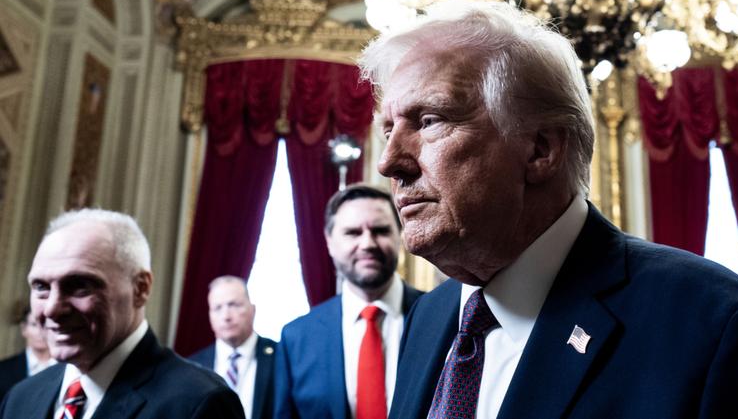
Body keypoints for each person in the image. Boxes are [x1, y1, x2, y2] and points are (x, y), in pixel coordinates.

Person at [358, 0, 738, 419]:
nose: (389, 162)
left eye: (429, 120)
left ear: (541, 150)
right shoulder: (430, 315)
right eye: (389, 130)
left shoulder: (717, 327)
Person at [0, 209, 244, 419]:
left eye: (80, 285)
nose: (52, 308)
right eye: (41, 287)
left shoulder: (199, 403)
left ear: (140, 288)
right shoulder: (20, 399)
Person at [274, 184, 423, 419]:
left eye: (381, 230)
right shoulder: (296, 337)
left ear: (400, 236)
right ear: (329, 242)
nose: (367, 244)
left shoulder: (441, 317)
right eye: (353, 232)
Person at [189, 275, 276, 419]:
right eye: (217, 308)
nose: (226, 316)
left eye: (234, 305)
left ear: (253, 310)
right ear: (210, 316)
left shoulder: (280, 357)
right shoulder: (194, 366)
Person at [0, 305, 56, 400]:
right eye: (34, 325)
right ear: (24, 329)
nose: (40, 332)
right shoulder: (3, 370)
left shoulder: (69, 369)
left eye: (46, 325)